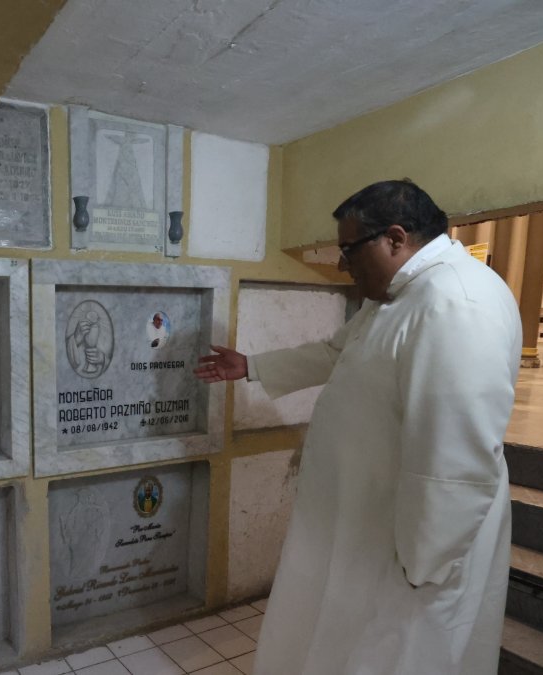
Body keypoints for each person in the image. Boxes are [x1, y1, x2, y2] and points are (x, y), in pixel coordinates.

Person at [195, 180, 520, 674]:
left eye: (348, 249)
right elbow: (335, 352)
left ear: (394, 238)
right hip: (364, 516)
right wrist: (252, 366)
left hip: (413, 546)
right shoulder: (397, 293)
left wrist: (424, 563)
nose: (343, 264)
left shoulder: (457, 304)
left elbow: (457, 455)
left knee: (397, 653)